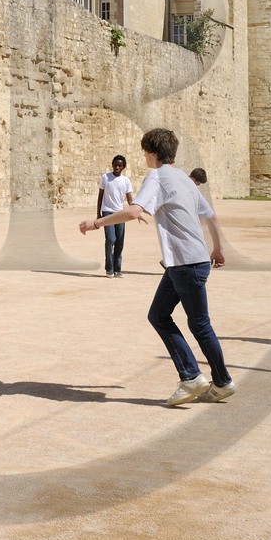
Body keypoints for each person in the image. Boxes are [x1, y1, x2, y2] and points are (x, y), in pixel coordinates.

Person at [79, 128, 233, 407]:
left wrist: (97, 223)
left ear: (151, 152)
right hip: (188, 262)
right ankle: (217, 381)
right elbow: (211, 214)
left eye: (145, 153)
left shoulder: (158, 177)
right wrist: (218, 249)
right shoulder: (185, 180)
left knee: (198, 324)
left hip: (185, 263)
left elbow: (134, 211)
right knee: (162, 316)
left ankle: (196, 378)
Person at [96, 155, 135, 277]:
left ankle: (117, 269)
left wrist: (135, 211)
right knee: (110, 239)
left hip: (120, 214)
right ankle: (109, 268)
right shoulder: (105, 177)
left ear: (123, 167)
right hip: (107, 212)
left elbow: (129, 200)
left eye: (120, 165)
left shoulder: (126, 181)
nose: (117, 167)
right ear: (112, 165)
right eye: (115, 165)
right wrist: (98, 214)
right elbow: (100, 196)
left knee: (120, 242)